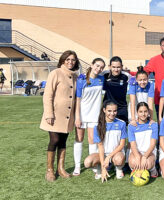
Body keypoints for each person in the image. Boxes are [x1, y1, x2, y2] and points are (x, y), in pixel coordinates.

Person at [39, 50, 80, 182]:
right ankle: (50, 169)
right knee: (54, 140)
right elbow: (48, 95)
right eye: (67, 59)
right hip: (56, 114)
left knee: (63, 141)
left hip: (68, 116)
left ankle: (60, 168)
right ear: (63, 60)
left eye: (73, 60)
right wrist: (49, 113)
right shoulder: (55, 73)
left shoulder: (75, 76)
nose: (70, 62)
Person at [72, 58, 105, 176]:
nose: (99, 69)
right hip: (81, 115)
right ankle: (77, 166)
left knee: (92, 140)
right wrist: (77, 117)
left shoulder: (102, 79)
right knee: (79, 139)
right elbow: (78, 100)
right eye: (97, 66)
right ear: (91, 65)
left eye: (101, 67)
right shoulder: (81, 79)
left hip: (95, 116)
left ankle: (93, 165)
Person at [84, 101, 126, 181]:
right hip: (102, 154)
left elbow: (122, 145)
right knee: (87, 162)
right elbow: (100, 147)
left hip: (116, 153)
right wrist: (103, 167)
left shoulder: (122, 124)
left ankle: (118, 168)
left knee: (119, 160)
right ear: (104, 110)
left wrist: (109, 157)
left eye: (115, 111)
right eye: (109, 111)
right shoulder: (97, 126)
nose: (112, 113)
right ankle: (100, 168)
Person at [127, 102, 158, 178]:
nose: (143, 114)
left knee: (147, 164)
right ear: (137, 113)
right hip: (136, 151)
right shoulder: (131, 126)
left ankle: (153, 171)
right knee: (133, 163)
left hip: (149, 152)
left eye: (145, 111)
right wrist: (137, 157)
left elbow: (153, 144)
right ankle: (136, 170)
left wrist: (144, 157)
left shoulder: (153, 125)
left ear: (148, 112)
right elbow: (133, 145)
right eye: (140, 112)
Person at [103, 56, 129, 124]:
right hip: (108, 108)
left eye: (118, 67)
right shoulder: (104, 75)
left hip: (121, 108)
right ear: (109, 66)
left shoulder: (126, 76)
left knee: (122, 130)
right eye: (113, 67)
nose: (116, 69)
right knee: (106, 130)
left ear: (122, 67)